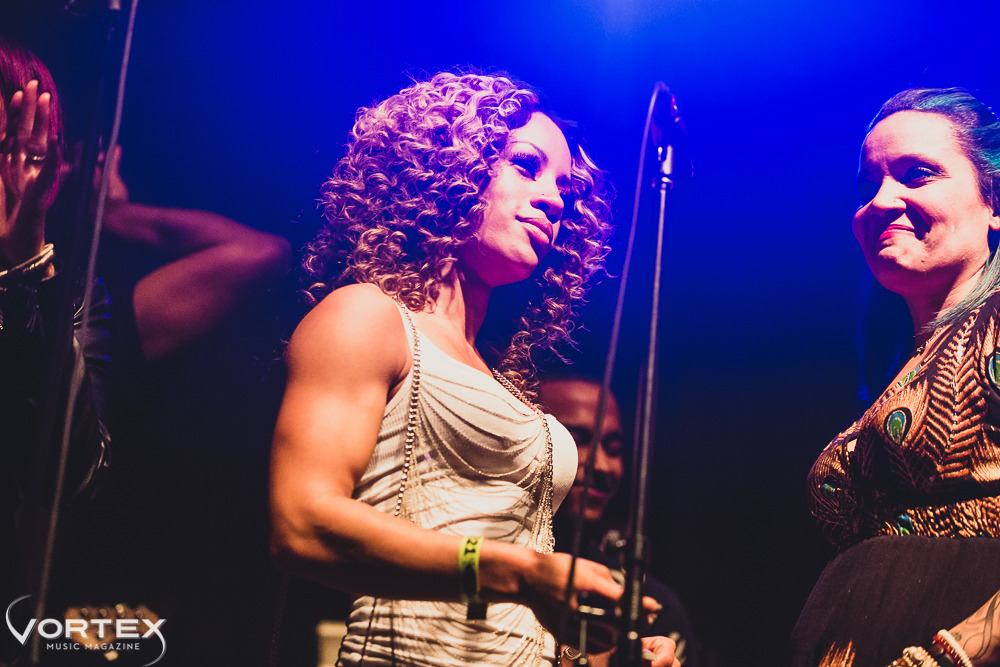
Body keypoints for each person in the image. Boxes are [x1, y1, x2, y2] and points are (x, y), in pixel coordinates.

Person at [270, 71, 679, 666]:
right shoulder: (367, 317)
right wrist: (520, 570)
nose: (555, 199)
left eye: (565, 186)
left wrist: (586, 657)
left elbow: (500, 617)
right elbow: (301, 523)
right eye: (526, 165)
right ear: (449, 170)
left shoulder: (499, 379)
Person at [791, 88, 1000, 667]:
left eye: (917, 174)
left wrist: (960, 650)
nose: (880, 202)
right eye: (868, 186)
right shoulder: (898, 368)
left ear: (995, 199)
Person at [0, 36, 111, 663]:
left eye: (31, 155)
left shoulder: (65, 294)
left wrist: (25, 269)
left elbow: (71, 478)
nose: (13, 176)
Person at [539, 375, 703, 667]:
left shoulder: (648, 602)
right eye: (577, 441)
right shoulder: (490, 560)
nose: (602, 466)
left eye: (614, 449)